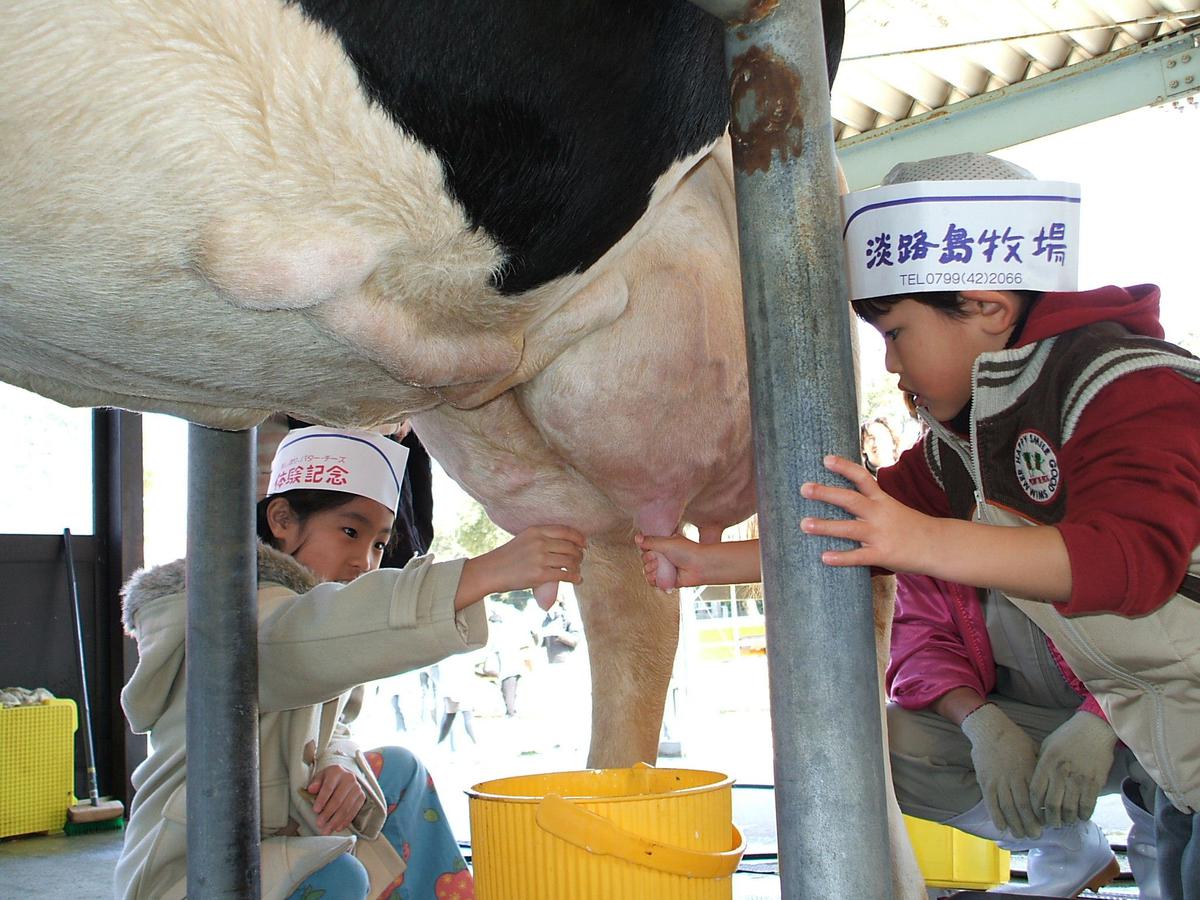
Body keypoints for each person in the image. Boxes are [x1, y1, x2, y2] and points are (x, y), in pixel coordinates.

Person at [636, 153, 1200, 900]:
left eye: (896, 333)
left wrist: (916, 538)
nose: (892, 364)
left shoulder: (1130, 385)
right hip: (1164, 721)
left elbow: (1133, 562)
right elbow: (850, 528)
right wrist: (710, 564)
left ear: (988, 307)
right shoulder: (967, 436)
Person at [116, 426, 585, 900]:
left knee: (400, 771)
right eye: (349, 532)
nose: (364, 560)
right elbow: (322, 634)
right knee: (339, 877)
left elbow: (335, 722)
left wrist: (340, 764)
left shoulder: (309, 611)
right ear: (282, 519)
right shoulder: (233, 616)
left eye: (379, 544)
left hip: (277, 833)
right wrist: (488, 571)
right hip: (190, 868)